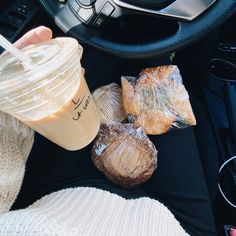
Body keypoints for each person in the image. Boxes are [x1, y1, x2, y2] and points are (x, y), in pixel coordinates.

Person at [0, 26, 217, 236]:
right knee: (152, 58)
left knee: (97, 37)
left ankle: (113, 19)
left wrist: (6, 127)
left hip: (47, 197)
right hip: (179, 223)